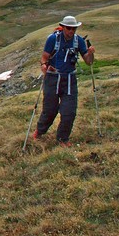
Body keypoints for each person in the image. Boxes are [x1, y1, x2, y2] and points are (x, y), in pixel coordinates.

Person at [34, 15, 95, 146]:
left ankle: (63, 139)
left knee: (69, 112)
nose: (71, 31)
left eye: (74, 29)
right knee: (50, 110)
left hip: (69, 79)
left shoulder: (78, 41)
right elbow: (44, 57)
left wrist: (91, 53)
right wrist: (44, 66)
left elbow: (89, 62)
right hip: (53, 78)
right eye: (69, 28)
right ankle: (39, 132)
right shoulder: (52, 39)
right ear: (63, 27)